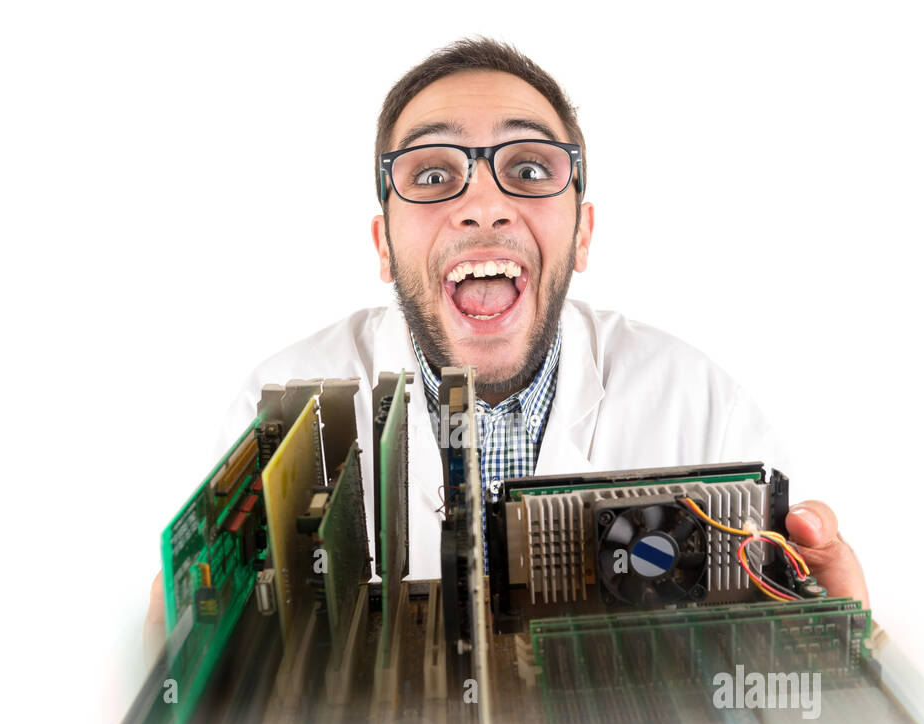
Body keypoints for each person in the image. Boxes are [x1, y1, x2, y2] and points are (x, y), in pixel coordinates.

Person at [143, 37, 870, 648]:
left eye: (527, 169)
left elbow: (780, 701)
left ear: (582, 233)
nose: (483, 206)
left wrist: (847, 645)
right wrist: (174, 668)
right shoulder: (274, 413)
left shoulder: (706, 410)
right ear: (384, 246)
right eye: (433, 174)